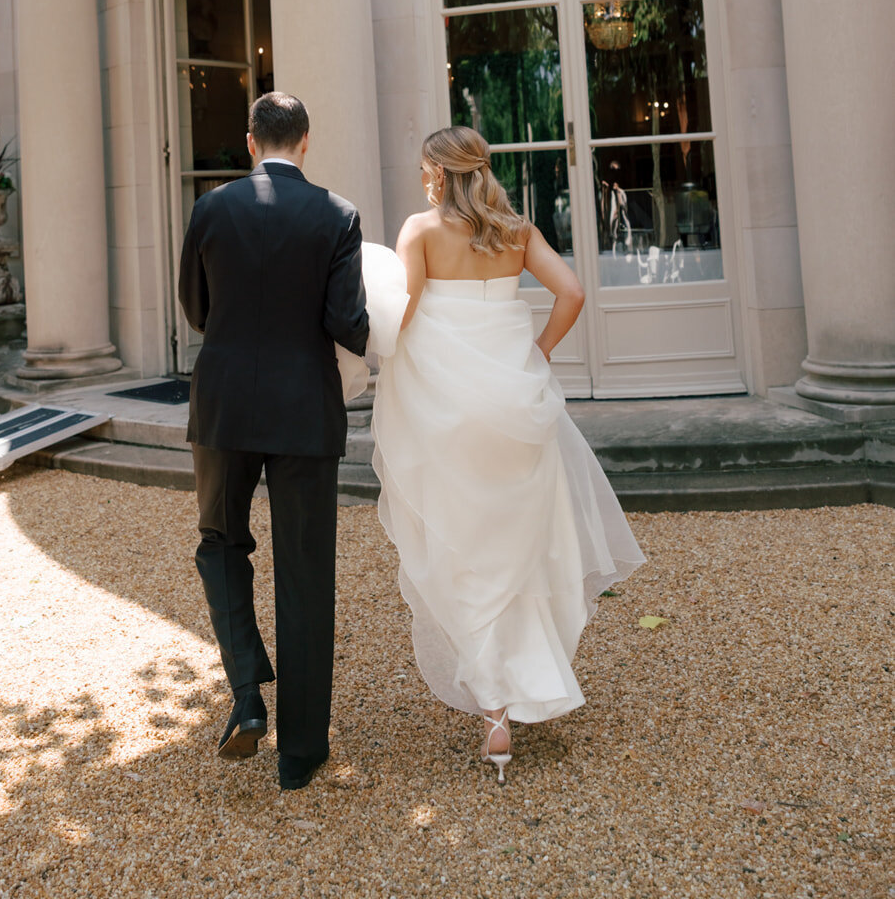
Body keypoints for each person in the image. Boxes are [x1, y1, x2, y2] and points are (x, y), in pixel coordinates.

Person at [370, 125, 645, 785]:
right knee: (520, 544)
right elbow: (572, 293)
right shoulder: (516, 231)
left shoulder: (420, 231)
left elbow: (401, 319)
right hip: (515, 409)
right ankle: (528, 682)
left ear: (438, 173)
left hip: (448, 415)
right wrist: (538, 352)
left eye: (422, 168)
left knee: (464, 548)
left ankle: (494, 708)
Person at [178, 92, 369, 791]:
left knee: (220, 542)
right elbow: (347, 324)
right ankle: (301, 755)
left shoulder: (210, 208)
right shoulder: (338, 214)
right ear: (306, 142)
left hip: (225, 401)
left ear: (250, 141)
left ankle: (247, 694)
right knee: (305, 570)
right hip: (304, 411)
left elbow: (196, 310)